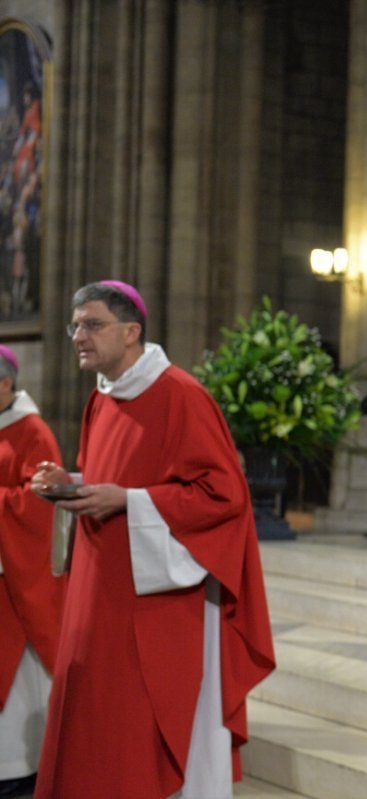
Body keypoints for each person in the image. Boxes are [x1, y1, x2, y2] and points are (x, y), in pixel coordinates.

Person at [30, 281, 275, 798]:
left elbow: (223, 497)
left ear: (132, 331)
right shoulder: (103, 397)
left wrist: (129, 501)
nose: (78, 335)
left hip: (158, 603)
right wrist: (70, 484)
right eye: (75, 325)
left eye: (92, 324)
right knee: (99, 721)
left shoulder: (180, 394)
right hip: (100, 588)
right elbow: (111, 477)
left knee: (141, 726)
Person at [0, 345, 64, 797]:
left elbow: (37, 506)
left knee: (17, 690)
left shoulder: (34, 432)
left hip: (14, 585)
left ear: (6, 384)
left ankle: (17, 771)